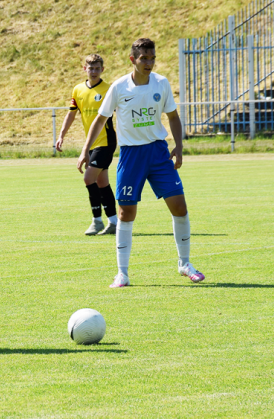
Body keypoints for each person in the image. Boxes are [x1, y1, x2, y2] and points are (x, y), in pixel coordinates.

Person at [79, 38, 205, 288]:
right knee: (127, 213)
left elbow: (173, 117)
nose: (148, 62)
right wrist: (85, 150)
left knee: (179, 207)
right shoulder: (119, 87)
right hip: (131, 156)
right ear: (132, 60)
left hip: (158, 154)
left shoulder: (161, 83)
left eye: (152, 58)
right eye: (143, 58)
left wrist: (178, 146)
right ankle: (122, 274)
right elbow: (100, 120)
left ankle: (184, 264)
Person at [57, 53, 119, 236]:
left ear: (102, 70)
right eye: (90, 68)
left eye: (97, 68)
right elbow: (71, 114)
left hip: (106, 142)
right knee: (102, 182)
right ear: (84, 69)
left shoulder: (109, 89)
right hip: (92, 142)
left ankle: (97, 221)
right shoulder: (78, 90)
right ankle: (114, 222)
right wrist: (61, 135)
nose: (93, 71)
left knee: (88, 178)